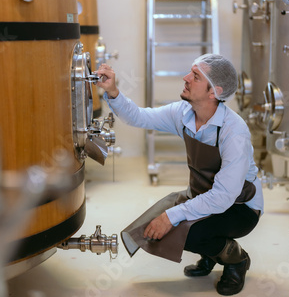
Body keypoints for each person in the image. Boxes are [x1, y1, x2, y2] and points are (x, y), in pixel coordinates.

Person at [95, 54, 264, 296]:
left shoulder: (234, 132)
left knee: (183, 230)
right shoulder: (183, 113)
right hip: (202, 195)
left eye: (195, 77)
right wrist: (113, 91)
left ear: (213, 92)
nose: (185, 78)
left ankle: (235, 259)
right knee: (151, 228)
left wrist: (171, 216)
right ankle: (211, 253)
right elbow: (139, 117)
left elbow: (224, 197)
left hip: (239, 207)